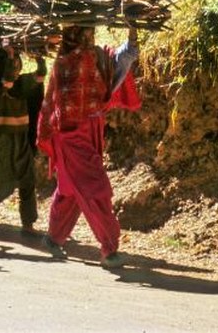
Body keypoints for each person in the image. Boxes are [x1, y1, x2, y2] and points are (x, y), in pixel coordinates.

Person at [37, 25, 141, 268]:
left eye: (90, 33)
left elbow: (121, 61)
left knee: (72, 190)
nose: (89, 38)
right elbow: (55, 101)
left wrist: (133, 34)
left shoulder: (97, 55)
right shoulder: (63, 63)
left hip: (92, 130)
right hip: (70, 136)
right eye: (85, 34)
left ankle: (53, 238)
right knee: (94, 188)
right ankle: (109, 248)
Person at [0, 42, 46, 234]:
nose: (16, 69)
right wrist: (11, 58)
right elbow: (5, 81)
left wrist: (40, 59)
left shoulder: (22, 84)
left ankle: (28, 223)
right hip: (2, 142)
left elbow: (39, 77)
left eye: (17, 65)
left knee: (28, 180)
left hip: (21, 140)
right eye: (13, 66)